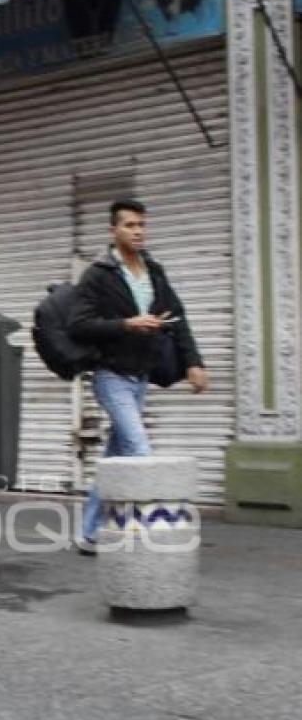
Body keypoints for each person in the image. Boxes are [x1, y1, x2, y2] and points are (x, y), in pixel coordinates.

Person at [68, 198, 208, 554]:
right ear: (113, 231)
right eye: (130, 225)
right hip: (110, 375)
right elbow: (79, 325)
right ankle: (153, 537)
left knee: (117, 457)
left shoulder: (154, 272)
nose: (138, 231)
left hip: (141, 375)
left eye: (142, 225)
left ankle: (88, 534)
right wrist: (127, 324)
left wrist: (193, 363)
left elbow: (178, 318)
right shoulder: (99, 275)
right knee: (139, 448)